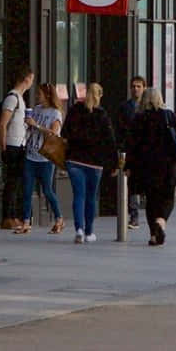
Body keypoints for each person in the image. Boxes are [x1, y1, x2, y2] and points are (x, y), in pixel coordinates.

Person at [125, 84, 176, 245]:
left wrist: (128, 167)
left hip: (146, 166)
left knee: (151, 200)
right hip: (168, 165)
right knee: (167, 198)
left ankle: (153, 235)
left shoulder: (139, 118)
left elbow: (131, 145)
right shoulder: (167, 115)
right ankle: (161, 222)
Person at [60, 83, 119, 243]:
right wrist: (115, 164)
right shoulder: (102, 115)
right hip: (95, 162)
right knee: (91, 197)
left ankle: (79, 229)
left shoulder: (74, 110)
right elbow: (110, 141)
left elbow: (64, 133)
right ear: (99, 96)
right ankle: (89, 232)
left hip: (74, 159)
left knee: (78, 196)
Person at [0, 70, 33, 233]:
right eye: (31, 78)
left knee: (16, 181)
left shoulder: (20, 99)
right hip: (12, 146)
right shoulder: (12, 98)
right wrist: (3, 147)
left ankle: (13, 215)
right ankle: (7, 217)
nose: (32, 82)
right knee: (11, 181)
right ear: (26, 78)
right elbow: (3, 124)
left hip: (20, 144)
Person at [23, 84, 62, 232]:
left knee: (47, 190)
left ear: (47, 95)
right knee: (27, 190)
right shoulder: (36, 109)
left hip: (45, 158)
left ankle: (59, 218)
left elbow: (53, 133)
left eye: (39, 93)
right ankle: (26, 221)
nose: (37, 96)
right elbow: (30, 127)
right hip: (30, 154)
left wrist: (36, 125)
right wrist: (27, 124)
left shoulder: (55, 113)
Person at [118, 75, 149, 228]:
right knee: (132, 183)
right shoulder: (125, 107)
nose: (136, 89)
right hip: (130, 150)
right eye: (133, 86)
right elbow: (120, 128)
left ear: (144, 88)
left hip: (146, 151)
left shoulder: (149, 106)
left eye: (139, 86)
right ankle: (134, 215)